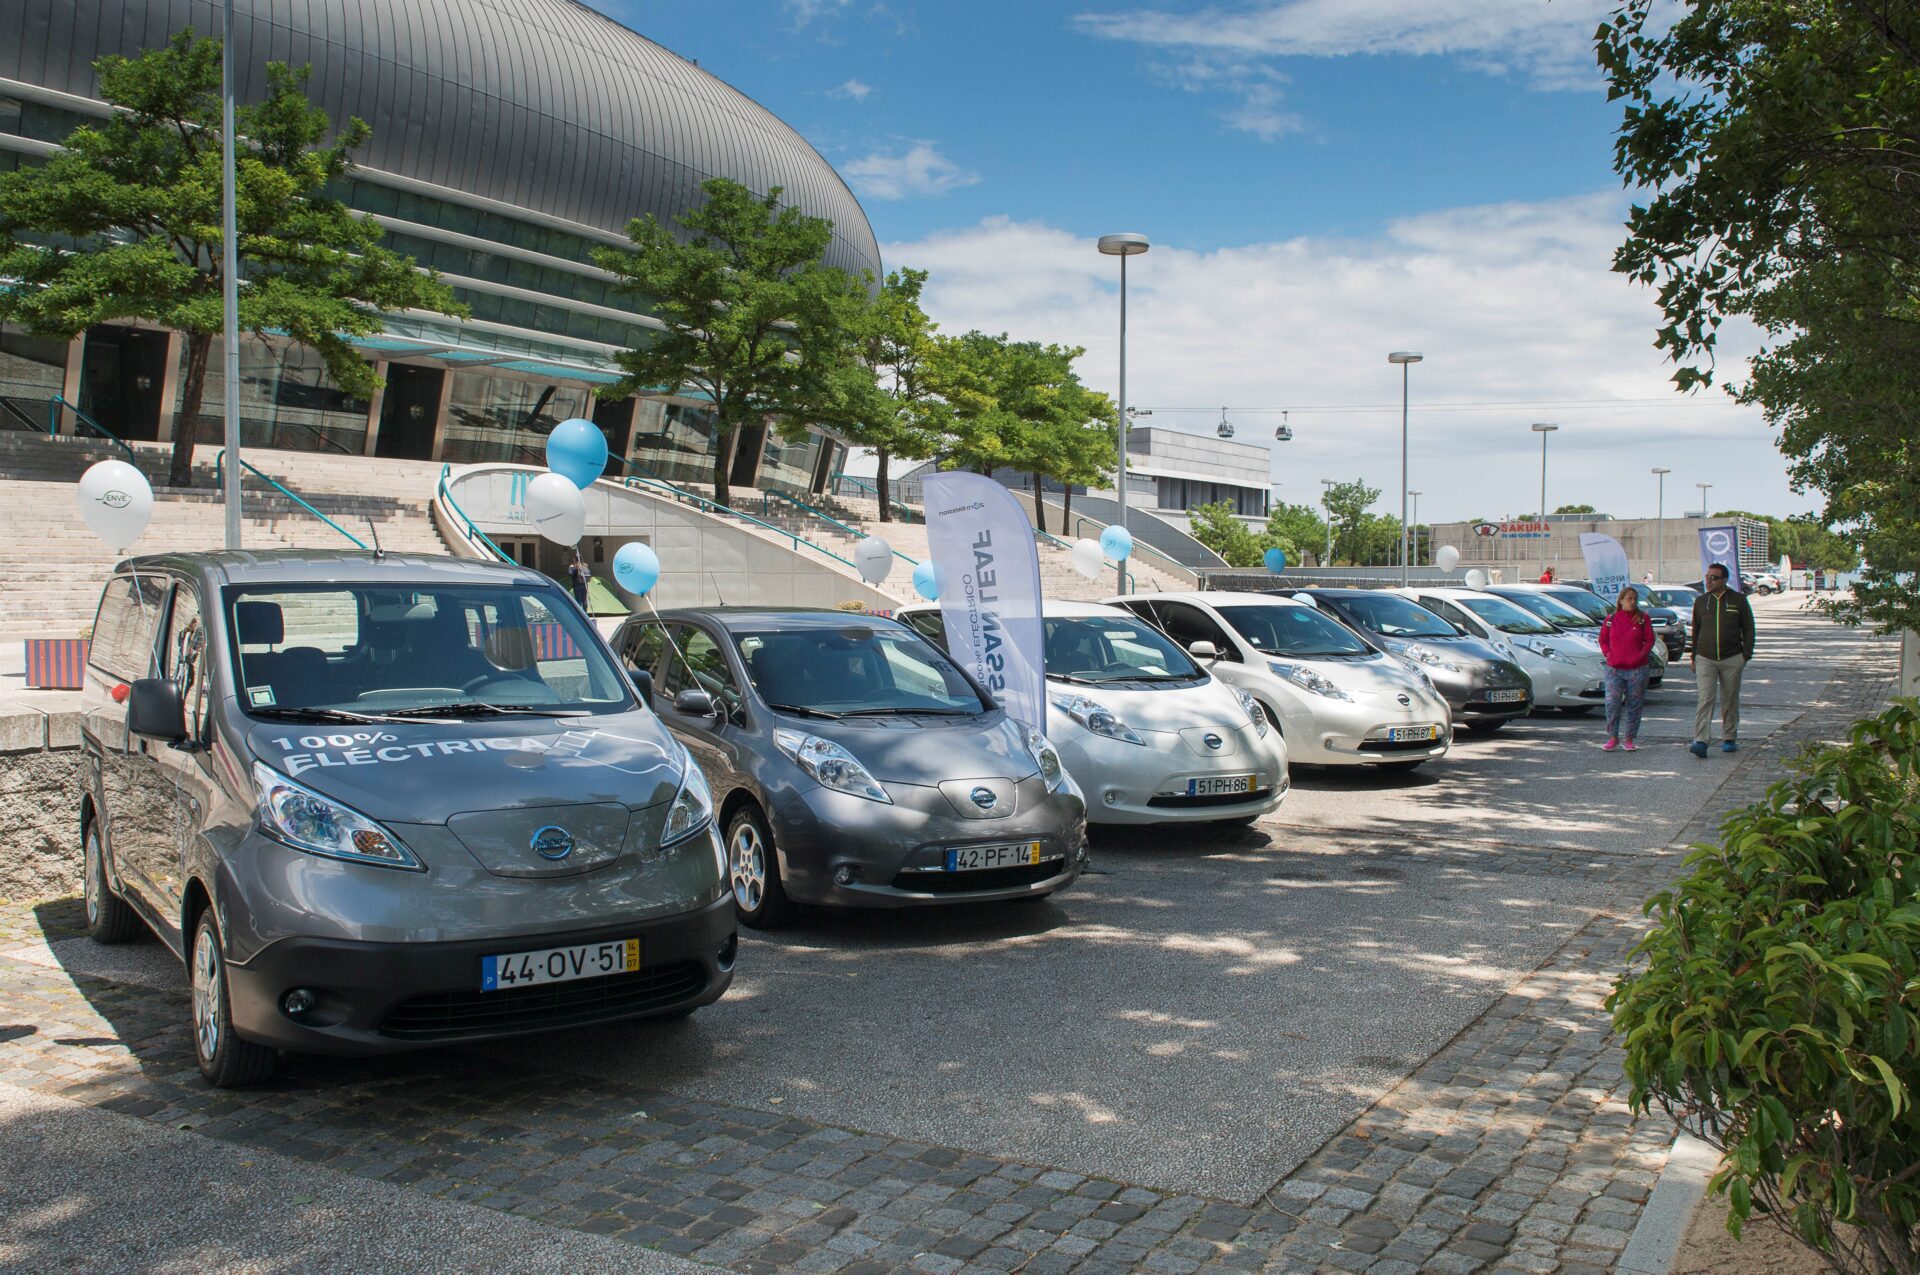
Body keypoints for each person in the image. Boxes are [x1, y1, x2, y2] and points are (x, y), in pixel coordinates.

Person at [1689, 562, 1755, 757]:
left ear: (1724, 580)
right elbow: (1696, 630)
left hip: (1732, 657)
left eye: (1714, 578)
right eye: (1707, 577)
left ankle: (1729, 737)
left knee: (1729, 699)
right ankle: (1700, 740)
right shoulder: (1701, 601)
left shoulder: (1738, 600)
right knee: (1705, 698)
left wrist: (1745, 655)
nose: (1709, 581)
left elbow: (1749, 628)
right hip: (1705, 658)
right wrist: (1694, 656)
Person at [1598, 585, 1655, 751]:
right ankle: (1613, 736)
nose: (1632, 602)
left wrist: (1641, 654)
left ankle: (1629, 738)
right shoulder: (1611, 619)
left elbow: (1650, 639)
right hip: (1614, 668)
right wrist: (1608, 653)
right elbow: (1603, 639)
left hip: (1637, 669)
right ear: (1621, 600)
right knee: (1612, 701)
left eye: (1635, 599)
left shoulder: (1643, 618)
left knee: (1634, 703)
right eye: (1629, 598)